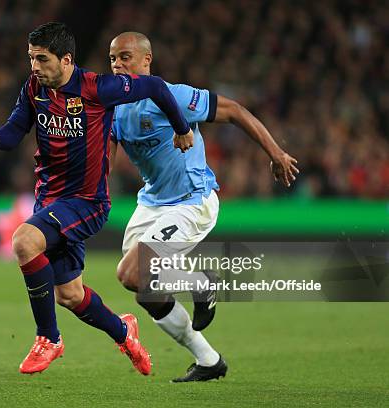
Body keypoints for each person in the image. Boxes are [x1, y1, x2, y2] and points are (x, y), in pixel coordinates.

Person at [0, 22, 196, 376]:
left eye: (42, 59)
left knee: (24, 241)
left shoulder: (98, 88)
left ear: (66, 59)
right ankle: (124, 331)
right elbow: (11, 135)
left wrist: (182, 128)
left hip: (87, 202)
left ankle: (48, 338)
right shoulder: (33, 88)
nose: (35, 67)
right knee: (69, 295)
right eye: (31, 58)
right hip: (50, 201)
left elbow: (157, 86)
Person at [109, 32, 299, 382]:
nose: (118, 65)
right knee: (145, 292)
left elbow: (234, 111)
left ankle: (201, 281)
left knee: (132, 273)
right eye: (113, 60)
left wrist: (276, 153)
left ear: (146, 61)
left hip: (191, 201)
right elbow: (105, 164)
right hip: (151, 203)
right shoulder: (115, 109)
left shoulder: (174, 96)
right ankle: (209, 361)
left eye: (125, 57)